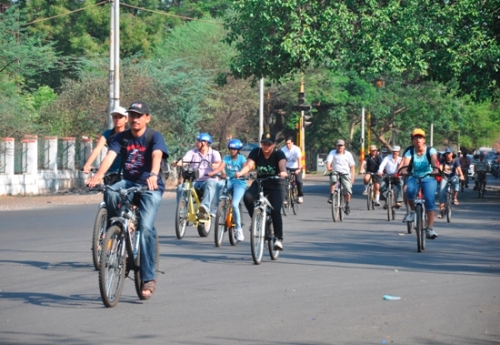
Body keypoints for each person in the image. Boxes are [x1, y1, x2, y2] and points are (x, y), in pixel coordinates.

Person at [88, 101, 169, 299]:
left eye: (139, 115)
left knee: (147, 229)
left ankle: (148, 278)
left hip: (150, 187)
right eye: (132, 115)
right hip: (129, 182)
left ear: (147, 118)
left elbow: (157, 155)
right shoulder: (122, 137)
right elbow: (110, 155)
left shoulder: (154, 137)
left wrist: (153, 173)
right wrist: (98, 175)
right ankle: (117, 230)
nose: (135, 119)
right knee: (110, 191)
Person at [235, 132, 287, 250]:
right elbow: (249, 166)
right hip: (261, 182)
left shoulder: (279, 153)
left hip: (276, 183)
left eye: (268, 144)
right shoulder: (256, 152)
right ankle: (256, 220)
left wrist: (283, 172)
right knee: (247, 197)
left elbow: (282, 166)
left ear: (273, 145)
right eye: (263, 143)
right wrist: (241, 173)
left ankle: (278, 238)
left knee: (275, 209)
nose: (265, 146)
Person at [400, 128, 439, 239]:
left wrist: (435, 170)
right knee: (409, 192)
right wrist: (404, 170)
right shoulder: (410, 151)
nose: (418, 140)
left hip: (428, 177)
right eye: (416, 138)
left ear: (424, 140)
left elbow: (434, 160)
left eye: (420, 137)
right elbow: (406, 164)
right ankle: (412, 211)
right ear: (412, 140)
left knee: (429, 200)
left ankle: (430, 229)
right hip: (414, 176)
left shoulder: (430, 151)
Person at [175, 132, 221, 224]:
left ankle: (204, 208)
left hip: (208, 180)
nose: (197, 143)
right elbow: (184, 161)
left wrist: (215, 165)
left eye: (199, 141)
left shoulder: (214, 153)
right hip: (194, 181)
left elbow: (218, 163)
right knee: (180, 188)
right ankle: (183, 209)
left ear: (205, 143)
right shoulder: (193, 152)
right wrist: (177, 163)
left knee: (211, 184)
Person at [209, 139, 247, 242]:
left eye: (234, 149)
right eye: (230, 149)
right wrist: (213, 173)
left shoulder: (242, 158)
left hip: (240, 183)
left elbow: (245, 168)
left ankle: (238, 229)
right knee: (219, 184)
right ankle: (217, 205)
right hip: (229, 181)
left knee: (234, 204)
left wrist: (242, 173)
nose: (232, 151)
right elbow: (220, 167)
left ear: (238, 150)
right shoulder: (226, 158)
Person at [83, 106, 128, 181]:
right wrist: (88, 164)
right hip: (110, 172)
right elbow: (98, 149)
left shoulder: (129, 134)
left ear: (126, 119)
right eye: (115, 117)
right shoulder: (108, 133)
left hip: (126, 173)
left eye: (120, 117)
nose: (117, 119)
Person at [325, 139, 356, 215]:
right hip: (335, 171)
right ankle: (332, 196)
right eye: (338, 145)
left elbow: (352, 166)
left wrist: (352, 177)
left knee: (348, 190)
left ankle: (347, 205)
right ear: (336, 146)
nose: (340, 147)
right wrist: (329, 167)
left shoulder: (348, 154)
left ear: (344, 146)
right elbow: (328, 161)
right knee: (333, 179)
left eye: (341, 145)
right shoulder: (332, 153)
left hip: (345, 173)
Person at [437, 148, 464, 218]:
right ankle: (441, 211)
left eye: (449, 153)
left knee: (456, 183)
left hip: (453, 176)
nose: (448, 154)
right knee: (442, 192)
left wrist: (461, 175)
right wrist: (439, 170)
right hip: (445, 177)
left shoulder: (455, 160)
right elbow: (440, 166)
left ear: (452, 154)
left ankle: (454, 198)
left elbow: (459, 169)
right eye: (446, 153)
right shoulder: (443, 160)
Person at [281, 137, 304, 204]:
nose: (288, 145)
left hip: (296, 167)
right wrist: (282, 170)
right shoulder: (283, 150)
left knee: (299, 181)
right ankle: (285, 198)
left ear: (292, 143)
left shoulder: (296, 149)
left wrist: (299, 169)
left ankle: (300, 195)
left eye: (289, 143)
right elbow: (282, 161)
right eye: (286, 143)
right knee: (284, 182)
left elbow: (299, 160)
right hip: (287, 168)